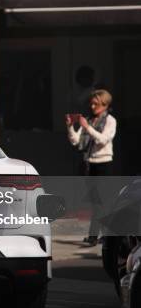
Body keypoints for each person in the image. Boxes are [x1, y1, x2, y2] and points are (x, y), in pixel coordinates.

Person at [66, 89, 117, 246]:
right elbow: (75, 141)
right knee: (97, 203)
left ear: (105, 104)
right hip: (90, 164)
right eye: (92, 103)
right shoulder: (89, 120)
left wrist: (87, 127)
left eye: (96, 103)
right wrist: (70, 127)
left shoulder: (110, 120)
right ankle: (100, 236)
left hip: (104, 164)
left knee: (102, 202)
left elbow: (103, 140)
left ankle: (96, 236)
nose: (92, 106)